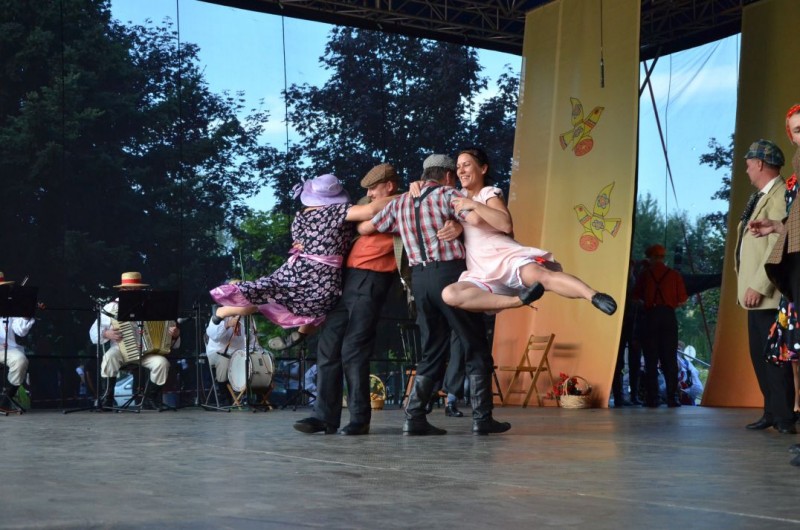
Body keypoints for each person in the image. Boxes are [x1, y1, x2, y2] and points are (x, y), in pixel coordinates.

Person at [369, 153, 510, 435]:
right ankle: (482, 418)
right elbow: (481, 221)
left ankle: (414, 417)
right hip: (450, 275)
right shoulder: (448, 195)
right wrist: (458, 225)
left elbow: (377, 224)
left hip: (420, 281)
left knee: (432, 349)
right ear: (447, 176)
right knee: (475, 344)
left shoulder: (400, 202)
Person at [210, 173, 393, 349]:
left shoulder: (301, 216)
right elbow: (371, 210)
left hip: (299, 268)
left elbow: (302, 242)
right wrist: (404, 196)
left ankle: (222, 311)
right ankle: (298, 333)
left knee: (267, 296)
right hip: (320, 273)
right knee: (317, 302)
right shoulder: (337, 211)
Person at [437, 147, 617, 316]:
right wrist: (456, 225)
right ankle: (517, 301)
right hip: (480, 270)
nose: (461, 171)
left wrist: (475, 204)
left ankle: (593, 295)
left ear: (483, 169)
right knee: (450, 294)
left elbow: (506, 225)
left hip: (505, 259)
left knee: (542, 276)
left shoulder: (488, 193)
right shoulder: (456, 197)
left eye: (466, 165)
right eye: (458, 167)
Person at [749, 105, 800, 464]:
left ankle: (783, 415)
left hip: (783, 276)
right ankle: (778, 413)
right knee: (788, 355)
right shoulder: (796, 178)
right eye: (796, 130)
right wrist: (776, 227)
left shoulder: (785, 186)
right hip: (794, 268)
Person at [734, 139, 795, 434]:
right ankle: (771, 411)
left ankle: (784, 417)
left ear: (759, 164)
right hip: (755, 294)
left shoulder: (781, 194)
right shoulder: (761, 196)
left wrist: (759, 285)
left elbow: (778, 245)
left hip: (768, 294)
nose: (746, 170)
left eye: (749, 165)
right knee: (761, 357)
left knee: (774, 358)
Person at [89, 271, 180, 410]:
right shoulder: (112, 307)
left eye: (136, 289)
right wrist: (107, 333)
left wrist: (175, 335)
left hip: (147, 352)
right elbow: (93, 332)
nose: (133, 292)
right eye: (129, 289)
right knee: (109, 357)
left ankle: (150, 398)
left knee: (162, 363)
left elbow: (172, 339)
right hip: (121, 350)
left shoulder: (152, 307)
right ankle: (107, 397)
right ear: (122, 290)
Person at [632, 244, 688, 407]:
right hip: (668, 316)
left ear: (650, 257)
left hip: (651, 316)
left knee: (651, 358)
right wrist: (669, 303)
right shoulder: (674, 275)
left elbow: (635, 297)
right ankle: (672, 397)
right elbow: (682, 300)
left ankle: (652, 398)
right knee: (669, 358)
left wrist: (647, 303)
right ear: (663, 257)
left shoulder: (645, 275)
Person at [206, 283, 265, 403]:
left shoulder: (247, 318)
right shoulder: (221, 312)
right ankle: (225, 397)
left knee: (260, 359)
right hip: (219, 352)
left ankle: (260, 396)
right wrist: (227, 324)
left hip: (240, 354)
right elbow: (213, 336)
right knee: (225, 361)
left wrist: (258, 353)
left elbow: (252, 340)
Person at [0, 272, 33, 403]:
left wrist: (25, 315)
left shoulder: (10, 306)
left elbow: (21, 331)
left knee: (20, 360)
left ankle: (8, 398)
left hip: (6, 349)